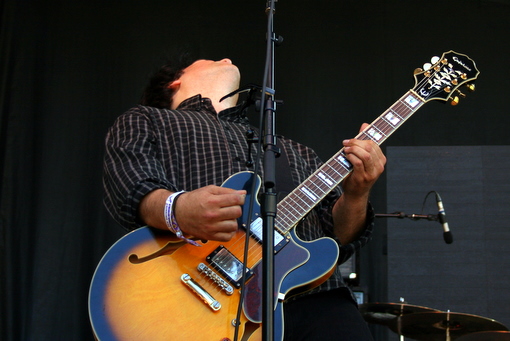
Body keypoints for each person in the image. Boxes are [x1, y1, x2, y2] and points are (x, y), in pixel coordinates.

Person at [103, 53, 386, 340]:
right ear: (175, 82)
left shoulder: (293, 150)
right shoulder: (148, 119)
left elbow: (339, 238)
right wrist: (179, 209)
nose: (225, 58)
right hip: (200, 301)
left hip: (317, 300)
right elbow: (131, 187)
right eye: (210, 59)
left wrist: (357, 192)